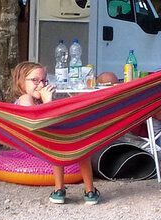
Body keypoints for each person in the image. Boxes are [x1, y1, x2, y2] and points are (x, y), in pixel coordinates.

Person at [11, 61, 100, 205]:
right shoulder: (25, 98)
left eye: (44, 80)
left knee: (75, 141)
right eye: (35, 80)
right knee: (79, 144)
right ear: (21, 83)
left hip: (49, 139)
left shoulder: (36, 99)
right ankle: (89, 191)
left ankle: (60, 191)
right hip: (40, 139)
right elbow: (36, 121)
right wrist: (48, 101)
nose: (41, 84)